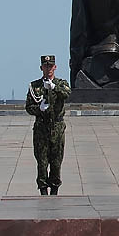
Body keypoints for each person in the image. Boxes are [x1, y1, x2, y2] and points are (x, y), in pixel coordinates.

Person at [24, 55, 72, 195]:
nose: (48, 68)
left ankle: (55, 189)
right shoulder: (34, 86)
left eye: (50, 66)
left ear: (55, 67)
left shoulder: (61, 83)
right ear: (41, 68)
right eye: (46, 66)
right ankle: (43, 190)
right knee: (42, 161)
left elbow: (67, 94)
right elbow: (28, 107)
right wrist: (39, 109)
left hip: (57, 126)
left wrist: (54, 87)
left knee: (56, 160)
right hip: (41, 127)